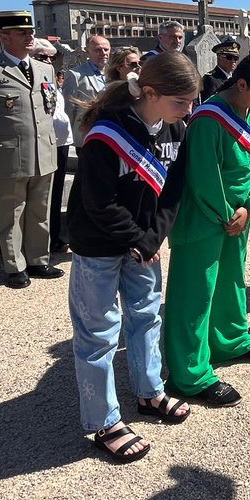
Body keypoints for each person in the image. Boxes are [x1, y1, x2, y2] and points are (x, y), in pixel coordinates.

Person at [67, 52, 198, 462]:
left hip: (145, 244)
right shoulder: (107, 133)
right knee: (99, 333)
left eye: (191, 101)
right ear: (152, 93)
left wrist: (153, 238)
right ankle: (104, 420)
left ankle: (149, 391)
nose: (189, 110)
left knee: (146, 317)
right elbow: (97, 202)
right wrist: (138, 240)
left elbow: (173, 189)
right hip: (101, 245)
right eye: (181, 102)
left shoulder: (175, 127)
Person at [163, 54, 250, 408]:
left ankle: (230, 340)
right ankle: (190, 374)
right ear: (242, 84)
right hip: (204, 216)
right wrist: (226, 213)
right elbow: (203, 175)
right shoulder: (207, 119)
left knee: (232, 280)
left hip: (240, 215)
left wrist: (249, 206)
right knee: (195, 294)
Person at [0, 9, 62, 289]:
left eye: (30, 31)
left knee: (40, 211)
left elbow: (47, 109)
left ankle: (39, 260)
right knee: (11, 214)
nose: (30, 36)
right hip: (8, 156)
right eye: (22, 32)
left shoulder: (44, 69)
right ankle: (15, 266)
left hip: (44, 152)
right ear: (4, 37)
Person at [34, 39, 73, 254]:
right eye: (42, 57)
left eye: (51, 57)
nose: (48, 61)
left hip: (61, 142)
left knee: (56, 194)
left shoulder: (53, 79)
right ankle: (41, 242)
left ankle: (55, 237)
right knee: (41, 196)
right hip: (42, 143)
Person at [62, 34, 110, 130]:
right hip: (85, 135)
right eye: (98, 50)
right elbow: (68, 110)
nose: (103, 53)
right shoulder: (75, 75)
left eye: (106, 49)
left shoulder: (113, 74)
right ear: (88, 52)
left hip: (109, 133)